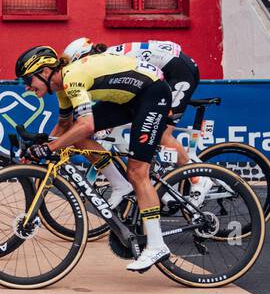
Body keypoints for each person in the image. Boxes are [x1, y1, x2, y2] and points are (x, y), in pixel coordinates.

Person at [15, 45, 174, 272]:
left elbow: (86, 125)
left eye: (28, 80)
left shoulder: (73, 77)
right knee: (74, 135)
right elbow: (64, 126)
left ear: (45, 70)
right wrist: (39, 149)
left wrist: (49, 147)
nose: (27, 87)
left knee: (138, 172)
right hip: (130, 98)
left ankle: (157, 245)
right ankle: (120, 185)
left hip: (152, 94)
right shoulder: (62, 87)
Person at [61, 37, 209, 192]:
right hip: (161, 71)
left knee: (161, 133)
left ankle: (198, 178)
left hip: (179, 72)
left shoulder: (108, 60)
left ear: (84, 57)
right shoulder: (101, 61)